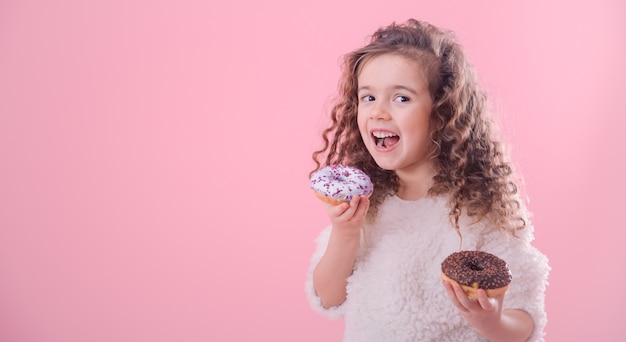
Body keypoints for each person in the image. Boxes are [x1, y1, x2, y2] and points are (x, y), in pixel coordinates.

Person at [305, 19, 550, 342]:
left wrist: (491, 323)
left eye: (401, 98)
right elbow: (328, 297)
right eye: (368, 98)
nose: (378, 112)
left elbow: (526, 318)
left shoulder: (479, 209)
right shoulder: (367, 204)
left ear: (441, 114)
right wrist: (345, 233)